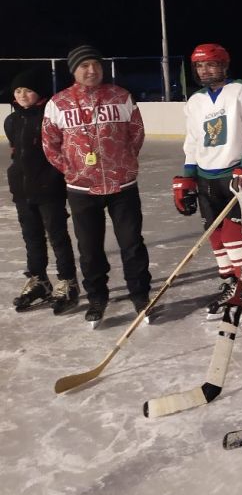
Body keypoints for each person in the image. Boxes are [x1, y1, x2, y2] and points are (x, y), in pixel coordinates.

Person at [41, 45, 151, 326]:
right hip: (82, 190)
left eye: (96, 65)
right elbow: (50, 144)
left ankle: (140, 295)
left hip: (122, 185)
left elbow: (136, 132)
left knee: (132, 243)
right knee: (89, 249)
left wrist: (124, 162)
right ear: (74, 70)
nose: (92, 70)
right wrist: (72, 170)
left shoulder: (120, 96)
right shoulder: (58, 103)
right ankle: (97, 298)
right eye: (85, 66)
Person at [173, 43, 242, 319]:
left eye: (211, 64)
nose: (205, 70)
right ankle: (229, 279)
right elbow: (193, 140)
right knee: (214, 232)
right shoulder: (195, 100)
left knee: (235, 234)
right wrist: (188, 176)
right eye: (200, 66)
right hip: (205, 177)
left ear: (224, 65)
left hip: (235, 174)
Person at [6, 66, 79, 314]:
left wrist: (56, 177)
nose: (22, 95)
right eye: (18, 91)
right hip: (22, 190)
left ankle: (67, 281)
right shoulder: (11, 121)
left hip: (49, 188)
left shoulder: (50, 117)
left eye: (28, 90)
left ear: (39, 92)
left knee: (57, 237)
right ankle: (39, 280)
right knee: (32, 238)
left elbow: (63, 151)